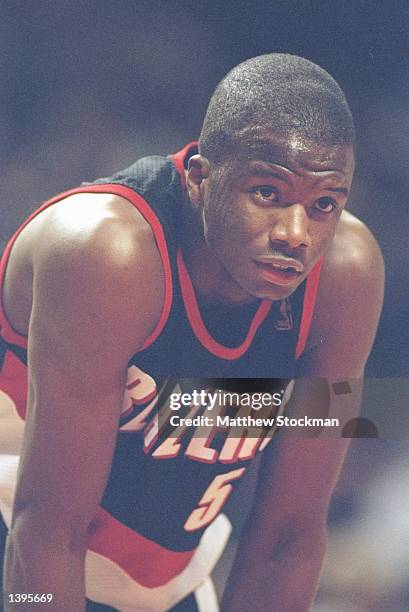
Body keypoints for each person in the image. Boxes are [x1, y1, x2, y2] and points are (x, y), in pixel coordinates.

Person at [0, 53, 384, 611]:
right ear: (202, 178)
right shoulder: (106, 253)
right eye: (267, 194)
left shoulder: (345, 275)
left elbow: (288, 537)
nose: (295, 234)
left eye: (323, 204)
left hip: (167, 584)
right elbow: (48, 529)